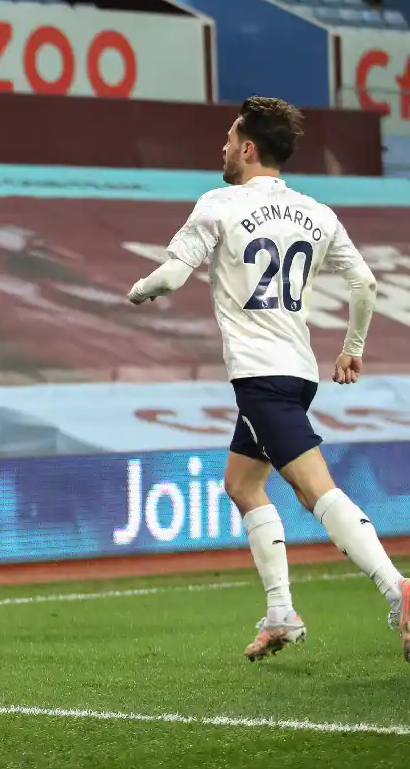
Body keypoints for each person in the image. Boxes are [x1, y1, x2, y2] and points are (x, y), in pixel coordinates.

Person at [127, 95, 409, 663]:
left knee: (314, 490)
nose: (224, 147)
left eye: (231, 139)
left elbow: (172, 277)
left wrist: (139, 291)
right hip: (297, 372)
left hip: (260, 377)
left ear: (249, 148)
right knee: (242, 484)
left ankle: (397, 588)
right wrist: (352, 348)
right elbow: (365, 284)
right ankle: (281, 614)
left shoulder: (220, 205)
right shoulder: (317, 213)